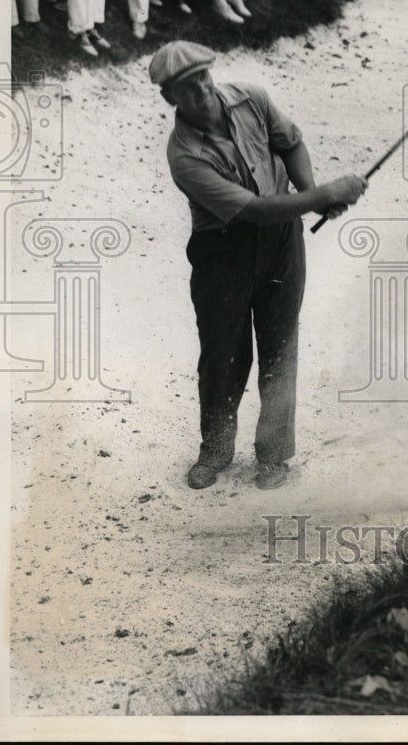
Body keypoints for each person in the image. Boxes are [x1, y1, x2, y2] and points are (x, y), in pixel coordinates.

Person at [149, 40, 368, 490]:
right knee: (222, 355)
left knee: (280, 347)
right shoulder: (184, 155)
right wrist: (323, 196)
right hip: (222, 252)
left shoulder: (251, 98)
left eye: (202, 77)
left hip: (282, 241)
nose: (201, 90)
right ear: (169, 97)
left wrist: (311, 192)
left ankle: (273, 455)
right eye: (187, 87)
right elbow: (252, 210)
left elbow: (291, 143)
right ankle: (215, 450)